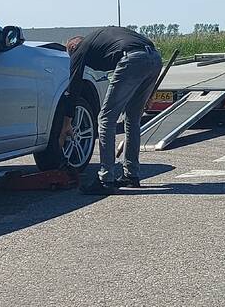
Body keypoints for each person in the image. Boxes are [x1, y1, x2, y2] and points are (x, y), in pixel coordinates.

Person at [65, 27, 163, 195]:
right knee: (133, 118)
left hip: (132, 59)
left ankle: (105, 179)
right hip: (153, 57)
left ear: (73, 49)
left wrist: (67, 121)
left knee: (105, 119)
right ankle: (131, 176)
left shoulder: (81, 48)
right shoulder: (102, 40)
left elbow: (74, 85)